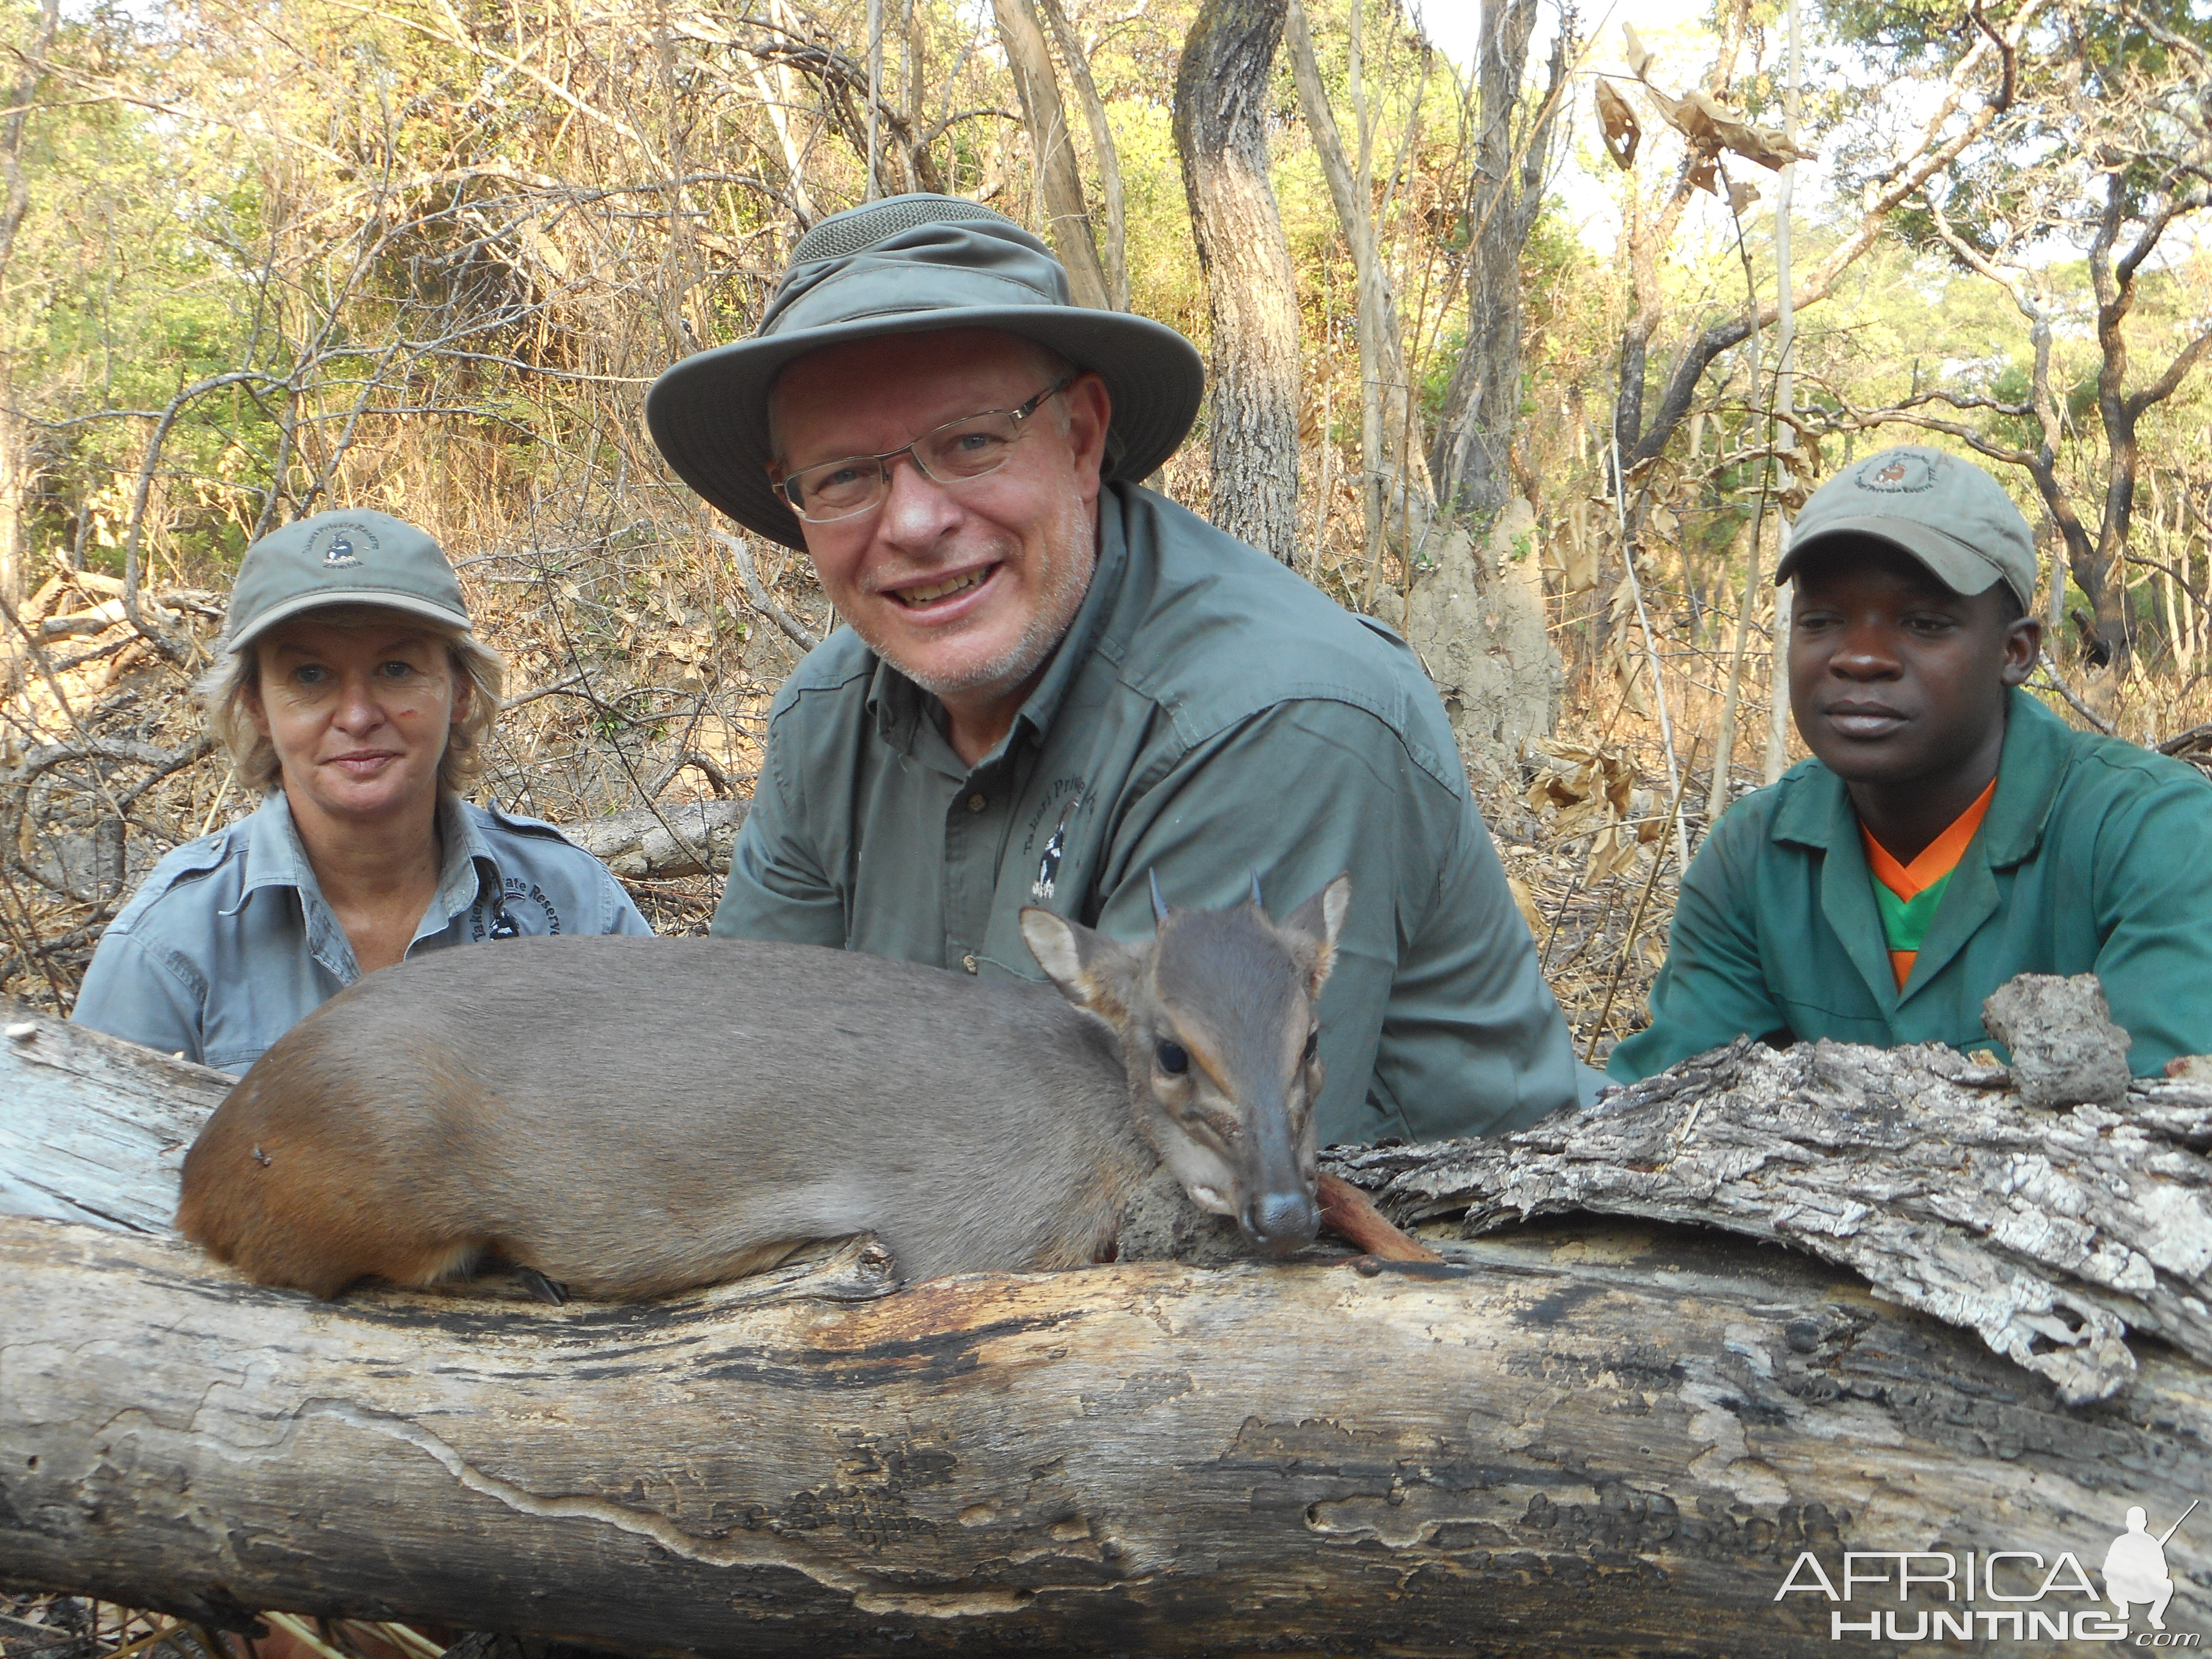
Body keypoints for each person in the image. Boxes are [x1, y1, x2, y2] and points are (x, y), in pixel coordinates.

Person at [644, 194, 1590, 1146]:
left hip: (1444, 1270)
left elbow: (1169, 1185)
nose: (915, 523)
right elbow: (746, 1078)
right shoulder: (825, 719)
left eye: (971, 442)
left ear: (1083, 437)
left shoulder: (1271, 719)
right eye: (844, 476)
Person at [1610, 445, 2212, 1082]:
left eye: (1923, 623)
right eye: (1821, 620)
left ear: (2016, 653)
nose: (1860, 658)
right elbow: (1668, 1117)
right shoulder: (1756, 857)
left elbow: (2161, 1124)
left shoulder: (2157, 834)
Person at [74, 509, 653, 1073]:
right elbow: (94, 1163)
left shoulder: (575, 904)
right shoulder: (169, 947)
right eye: (310, 676)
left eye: (396, 668)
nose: (356, 716)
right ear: (257, 708)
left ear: (460, 692)